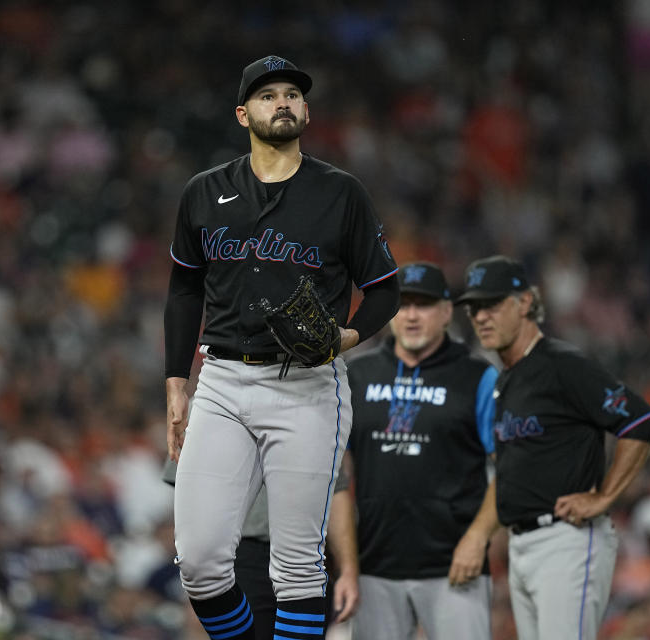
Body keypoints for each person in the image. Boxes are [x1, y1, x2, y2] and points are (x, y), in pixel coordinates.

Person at [163, 54, 399, 639]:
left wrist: (346, 336)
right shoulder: (204, 192)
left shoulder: (340, 193)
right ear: (243, 113)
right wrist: (176, 383)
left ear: (307, 110)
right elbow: (184, 290)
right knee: (199, 562)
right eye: (269, 95)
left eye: (293, 93)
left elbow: (385, 292)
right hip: (221, 381)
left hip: (307, 385)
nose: (283, 102)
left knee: (295, 568)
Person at [457, 255, 650, 640]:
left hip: (565, 541)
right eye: (474, 308)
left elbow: (639, 420)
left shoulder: (562, 364)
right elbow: (512, 470)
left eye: (492, 304)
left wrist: (603, 497)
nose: (481, 316)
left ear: (525, 303)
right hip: (523, 546)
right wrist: (479, 534)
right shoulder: (506, 381)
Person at [345, 262, 498, 640]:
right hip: (374, 565)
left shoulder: (478, 376)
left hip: (455, 567)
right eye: (403, 304)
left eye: (424, 305)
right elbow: (335, 477)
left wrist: (478, 538)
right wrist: (348, 565)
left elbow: (511, 465)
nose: (411, 315)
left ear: (447, 311)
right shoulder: (355, 374)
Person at [161, 458, 360, 640]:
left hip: (309, 555)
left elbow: (337, 487)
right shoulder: (203, 419)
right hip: (240, 554)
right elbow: (190, 487)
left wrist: (348, 570)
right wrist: (198, 580)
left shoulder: (321, 419)